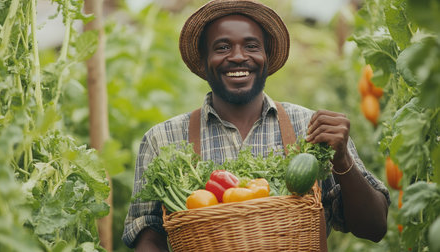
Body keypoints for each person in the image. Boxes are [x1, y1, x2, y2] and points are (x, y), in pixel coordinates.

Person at [122, 0, 390, 251]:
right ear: (204, 62)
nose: (238, 56)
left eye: (251, 46)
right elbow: (148, 238)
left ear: (266, 56)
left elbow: (374, 228)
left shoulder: (311, 128)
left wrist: (342, 159)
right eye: (222, 47)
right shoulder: (163, 138)